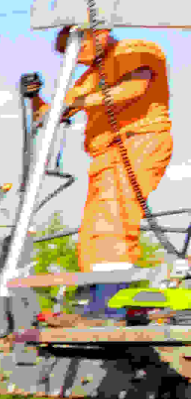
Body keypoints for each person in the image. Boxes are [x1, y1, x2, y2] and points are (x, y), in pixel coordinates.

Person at [25, 27, 171, 317]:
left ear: (99, 34)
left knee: (114, 219)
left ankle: (113, 301)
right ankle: (101, 297)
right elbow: (50, 116)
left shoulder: (136, 49)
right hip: (107, 153)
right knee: (94, 229)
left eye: (77, 49)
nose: (75, 59)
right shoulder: (91, 75)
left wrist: (76, 102)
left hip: (139, 141)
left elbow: (132, 89)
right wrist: (35, 98)